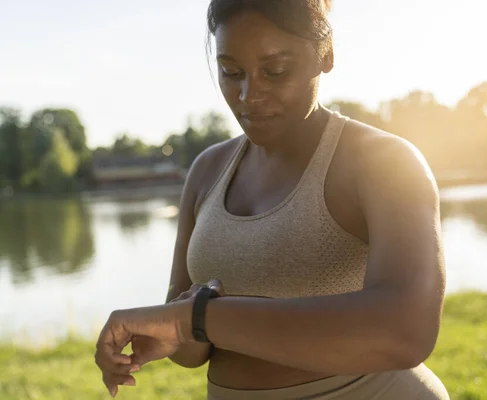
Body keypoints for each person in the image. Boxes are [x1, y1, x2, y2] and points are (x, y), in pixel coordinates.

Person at [94, 0, 449, 398]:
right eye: (231, 72)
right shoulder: (208, 170)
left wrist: (196, 318)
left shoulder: (383, 163)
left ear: (325, 54)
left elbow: (405, 332)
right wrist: (170, 331)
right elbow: (192, 347)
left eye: (275, 70)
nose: (249, 94)